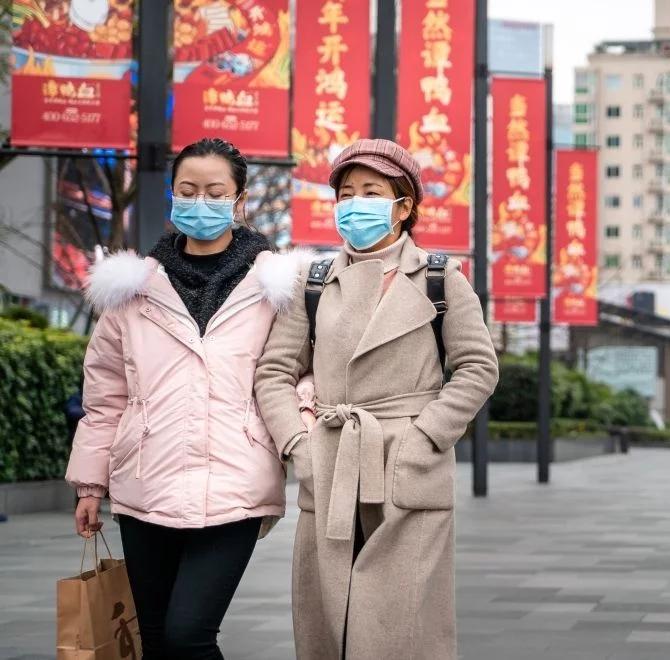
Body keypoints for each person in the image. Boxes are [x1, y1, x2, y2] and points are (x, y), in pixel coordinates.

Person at [254, 138, 499, 660]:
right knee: (329, 617)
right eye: (346, 193)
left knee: (400, 622)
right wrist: (299, 445)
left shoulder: (441, 278)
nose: (355, 203)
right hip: (333, 460)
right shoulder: (313, 279)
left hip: (409, 462)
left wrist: (425, 436)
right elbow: (274, 370)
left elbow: (478, 368)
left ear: (403, 206)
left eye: (371, 191)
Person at [66, 138, 304, 659]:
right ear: (172, 194)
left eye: (215, 192)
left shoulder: (277, 290)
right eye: (188, 190)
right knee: (153, 635)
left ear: (239, 201)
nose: (201, 202)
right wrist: (89, 483)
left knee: (188, 635)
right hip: (144, 481)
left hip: (234, 483)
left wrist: (298, 441)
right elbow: (106, 396)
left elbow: (301, 376)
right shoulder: (132, 291)